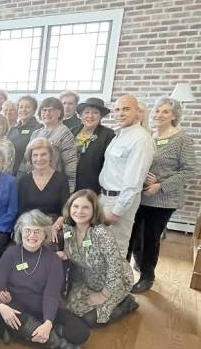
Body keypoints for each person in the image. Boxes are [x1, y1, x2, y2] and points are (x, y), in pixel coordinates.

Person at [0, 210, 90, 349]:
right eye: (27, 230)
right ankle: (62, 347)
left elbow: (51, 295)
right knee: (13, 317)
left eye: (37, 231)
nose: (32, 236)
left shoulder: (53, 259)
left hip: (44, 305)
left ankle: (23, 333)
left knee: (81, 333)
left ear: (45, 234)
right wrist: (2, 307)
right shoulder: (11, 254)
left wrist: (48, 323)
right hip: (18, 304)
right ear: (21, 232)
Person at [128, 97, 197, 293]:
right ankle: (140, 264)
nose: (159, 115)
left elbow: (190, 170)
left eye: (165, 112)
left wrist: (161, 184)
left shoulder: (182, 139)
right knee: (135, 235)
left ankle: (147, 276)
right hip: (141, 195)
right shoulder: (150, 136)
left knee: (150, 237)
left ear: (174, 116)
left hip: (163, 199)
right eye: (157, 111)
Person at [59, 190, 138, 327]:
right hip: (90, 280)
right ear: (69, 208)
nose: (79, 211)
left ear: (94, 210)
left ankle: (127, 302)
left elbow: (115, 268)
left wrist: (104, 295)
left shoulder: (101, 234)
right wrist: (64, 254)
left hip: (115, 281)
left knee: (92, 321)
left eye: (85, 207)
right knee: (71, 310)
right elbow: (73, 250)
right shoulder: (68, 230)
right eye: (75, 206)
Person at [98, 94, 155, 259]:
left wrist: (117, 211)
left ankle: (115, 285)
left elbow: (134, 181)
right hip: (105, 196)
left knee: (115, 249)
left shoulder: (141, 139)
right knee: (101, 246)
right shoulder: (121, 134)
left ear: (137, 113)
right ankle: (99, 284)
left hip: (119, 201)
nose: (120, 113)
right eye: (117, 110)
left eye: (126, 109)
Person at [18, 138, 69, 244]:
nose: (39, 159)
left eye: (43, 154)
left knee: (53, 241)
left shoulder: (61, 179)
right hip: (30, 223)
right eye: (35, 155)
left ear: (50, 156)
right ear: (30, 158)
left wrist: (55, 226)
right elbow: (21, 211)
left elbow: (66, 210)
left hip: (53, 223)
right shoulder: (24, 181)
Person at [29, 97, 77, 193]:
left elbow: (70, 164)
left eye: (51, 110)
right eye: (44, 110)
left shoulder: (65, 134)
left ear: (59, 113)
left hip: (55, 185)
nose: (47, 113)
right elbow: (27, 161)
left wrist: (69, 191)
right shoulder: (36, 133)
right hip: (34, 182)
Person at [72, 98, 114, 193]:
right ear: (81, 115)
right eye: (86, 112)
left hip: (92, 185)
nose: (90, 116)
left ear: (101, 116)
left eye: (95, 113)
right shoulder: (72, 131)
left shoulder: (108, 134)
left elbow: (108, 164)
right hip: (70, 182)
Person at [7, 95, 41, 176]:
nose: (23, 110)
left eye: (27, 107)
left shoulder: (39, 129)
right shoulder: (13, 129)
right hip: (10, 172)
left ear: (34, 110)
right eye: (21, 107)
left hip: (27, 174)